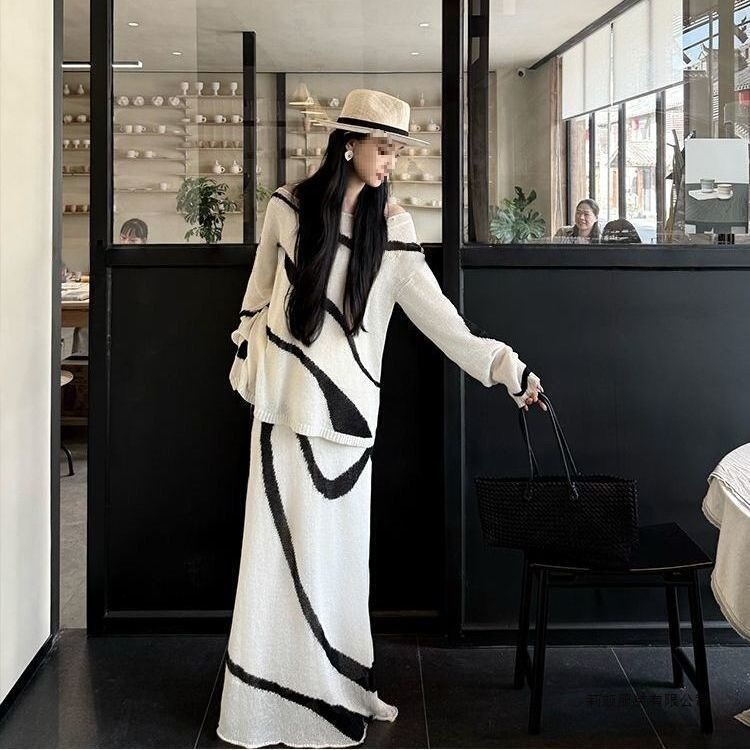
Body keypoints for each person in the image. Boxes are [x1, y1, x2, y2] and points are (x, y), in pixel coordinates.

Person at [216, 88, 545, 749]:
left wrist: (507, 368)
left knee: (335, 567)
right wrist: (258, 352)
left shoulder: (393, 229)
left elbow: (444, 323)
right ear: (349, 145)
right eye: (385, 148)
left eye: (397, 150)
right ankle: (264, 704)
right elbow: (254, 299)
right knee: (275, 564)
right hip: (281, 416)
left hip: (344, 428)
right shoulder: (287, 207)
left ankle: (336, 688)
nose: (393, 162)